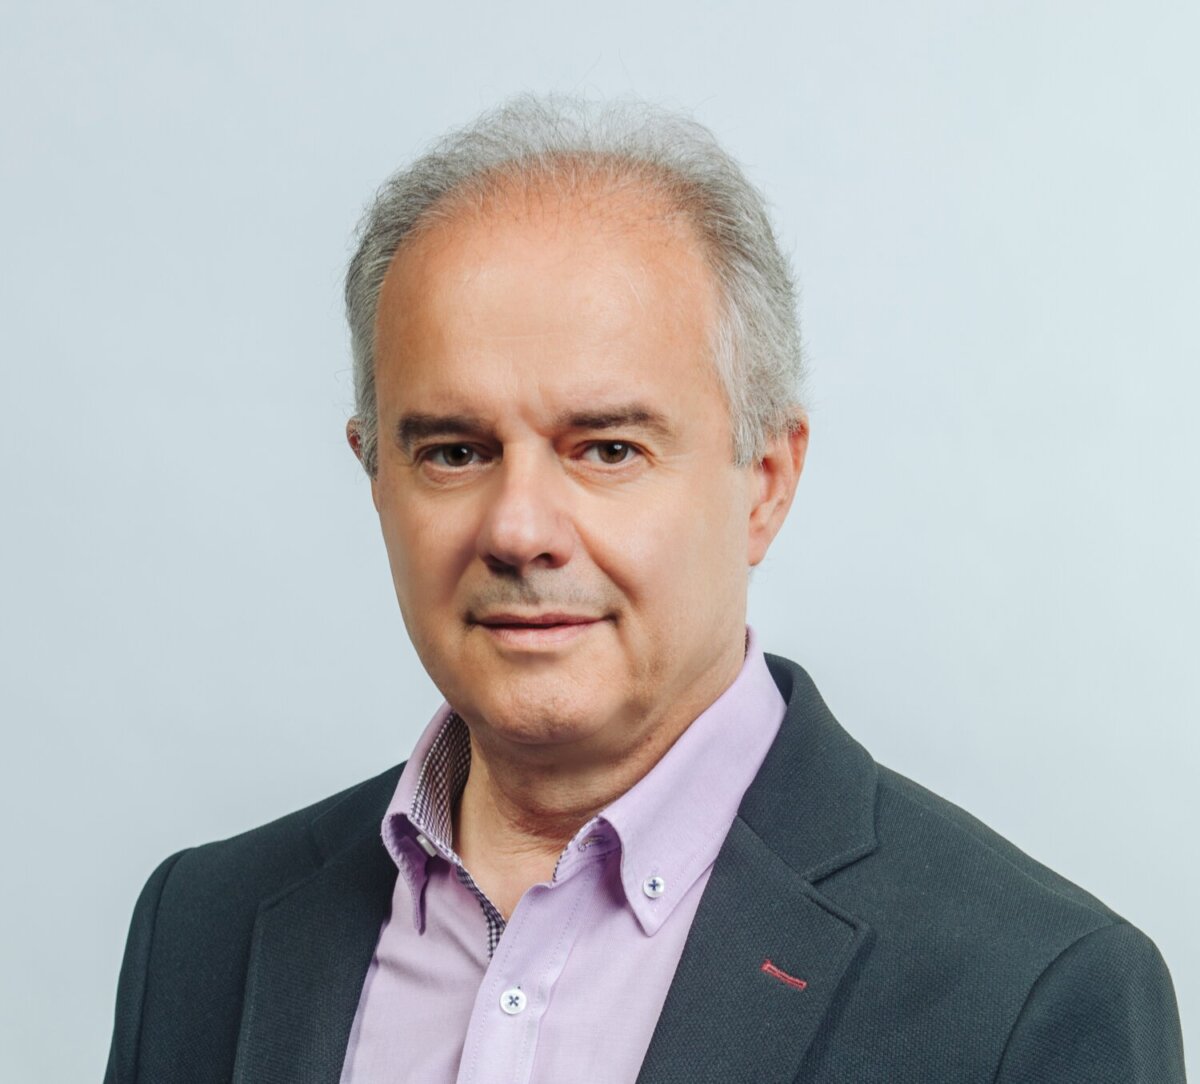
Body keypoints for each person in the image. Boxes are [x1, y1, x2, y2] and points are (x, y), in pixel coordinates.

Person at [105, 97, 1186, 1084]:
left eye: (608, 449)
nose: (520, 530)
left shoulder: (1027, 995)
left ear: (766, 482)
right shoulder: (204, 929)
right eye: (454, 451)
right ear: (375, 474)